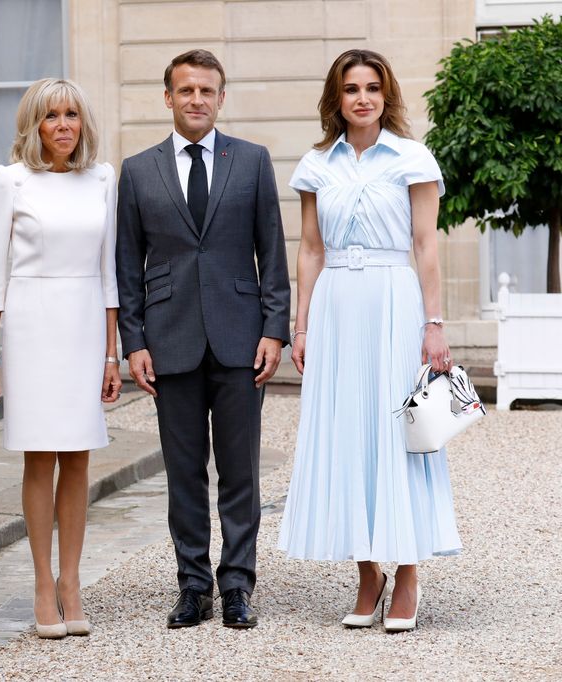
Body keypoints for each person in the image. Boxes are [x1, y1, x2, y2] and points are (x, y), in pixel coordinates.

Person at [277, 49, 460, 633]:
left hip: (393, 300)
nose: (363, 97)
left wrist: (434, 323)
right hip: (336, 305)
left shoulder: (412, 157)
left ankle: (407, 572)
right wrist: (301, 325)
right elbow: (309, 248)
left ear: (387, 95)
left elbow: (426, 245)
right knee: (347, 433)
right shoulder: (316, 164)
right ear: (337, 97)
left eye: (373, 88)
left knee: (396, 432)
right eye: (351, 88)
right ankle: (366, 571)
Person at [116, 49, 290, 630]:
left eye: (207, 91)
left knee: (240, 470)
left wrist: (274, 329)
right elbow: (127, 264)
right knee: (183, 471)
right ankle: (193, 586)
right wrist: (134, 340)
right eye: (186, 90)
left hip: (242, 339)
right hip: (170, 341)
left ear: (221, 97)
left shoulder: (253, 161)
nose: (197, 100)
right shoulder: (139, 170)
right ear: (168, 98)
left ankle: (237, 584)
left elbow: (273, 250)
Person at [0, 78, 122, 639]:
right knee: (39, 457)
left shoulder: (102, 177)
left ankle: (72, 582)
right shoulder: (10, 179)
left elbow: (109, 270)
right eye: (51, 116)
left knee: (79, 458)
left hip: (86, 319)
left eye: (72, 115)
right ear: (33, 124)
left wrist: (111, 355)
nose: (63, 125)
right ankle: (42, 583)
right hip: (32, 322)